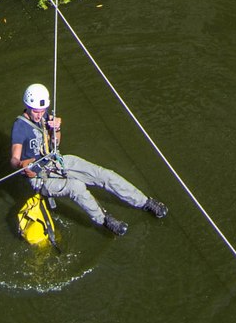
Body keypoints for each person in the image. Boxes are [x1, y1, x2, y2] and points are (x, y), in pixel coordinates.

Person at [10, 83, 167, 237]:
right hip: (40, 178)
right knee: (76, 187)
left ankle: (144, 202)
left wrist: (56, 128)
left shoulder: (44, 115)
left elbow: (55, 143)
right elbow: (14, 159)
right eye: (36, 111)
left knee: (103, 174)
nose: (39, 115)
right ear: (27, 106)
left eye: (42, 110)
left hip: (56, 161)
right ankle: (104, 219)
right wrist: (22, 166)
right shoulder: (20, 127)